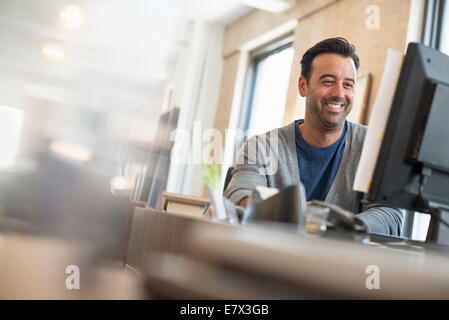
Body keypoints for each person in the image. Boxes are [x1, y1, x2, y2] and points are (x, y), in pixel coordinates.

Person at [223, 37, 404, 236]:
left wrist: (334, 223)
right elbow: (237, 193)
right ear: (303, 86)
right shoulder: (262, 146)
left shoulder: (373, 147)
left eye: (348, 84)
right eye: (328, 82)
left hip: (340, 264)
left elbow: (390, 215)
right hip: (274, 259)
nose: (339, 93)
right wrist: (285, 212)